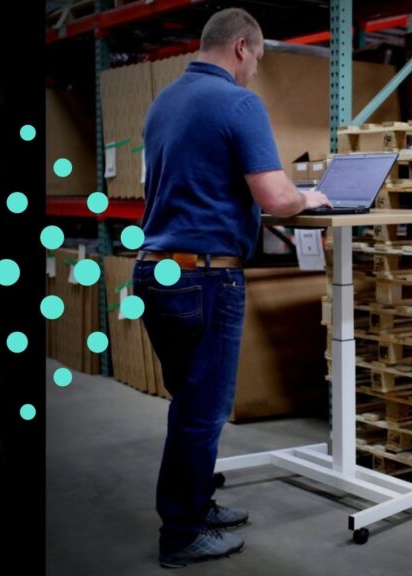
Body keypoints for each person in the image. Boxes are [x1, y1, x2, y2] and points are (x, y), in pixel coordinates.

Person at [132, 7, 331, 568]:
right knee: (203, 410)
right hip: (205, 276)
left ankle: (195, 503)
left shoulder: (165, 101)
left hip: (157, 271)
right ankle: (182, 534)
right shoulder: (238, 102)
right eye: (259, 61)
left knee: (189, 403)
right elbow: (274, 198)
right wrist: (307, 198)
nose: (255, 73)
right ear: (241, 47)